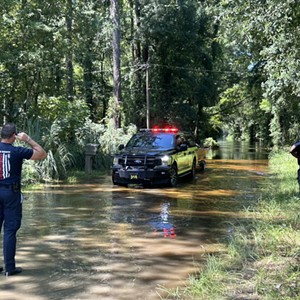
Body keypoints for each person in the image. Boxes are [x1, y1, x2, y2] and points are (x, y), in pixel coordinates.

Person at [0, 123, 47, 276]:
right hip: (11, 194)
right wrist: (28, 139)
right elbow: (41, 154)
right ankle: (9, 268)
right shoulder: (17, 151)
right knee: (10, 230)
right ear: (14, 136)